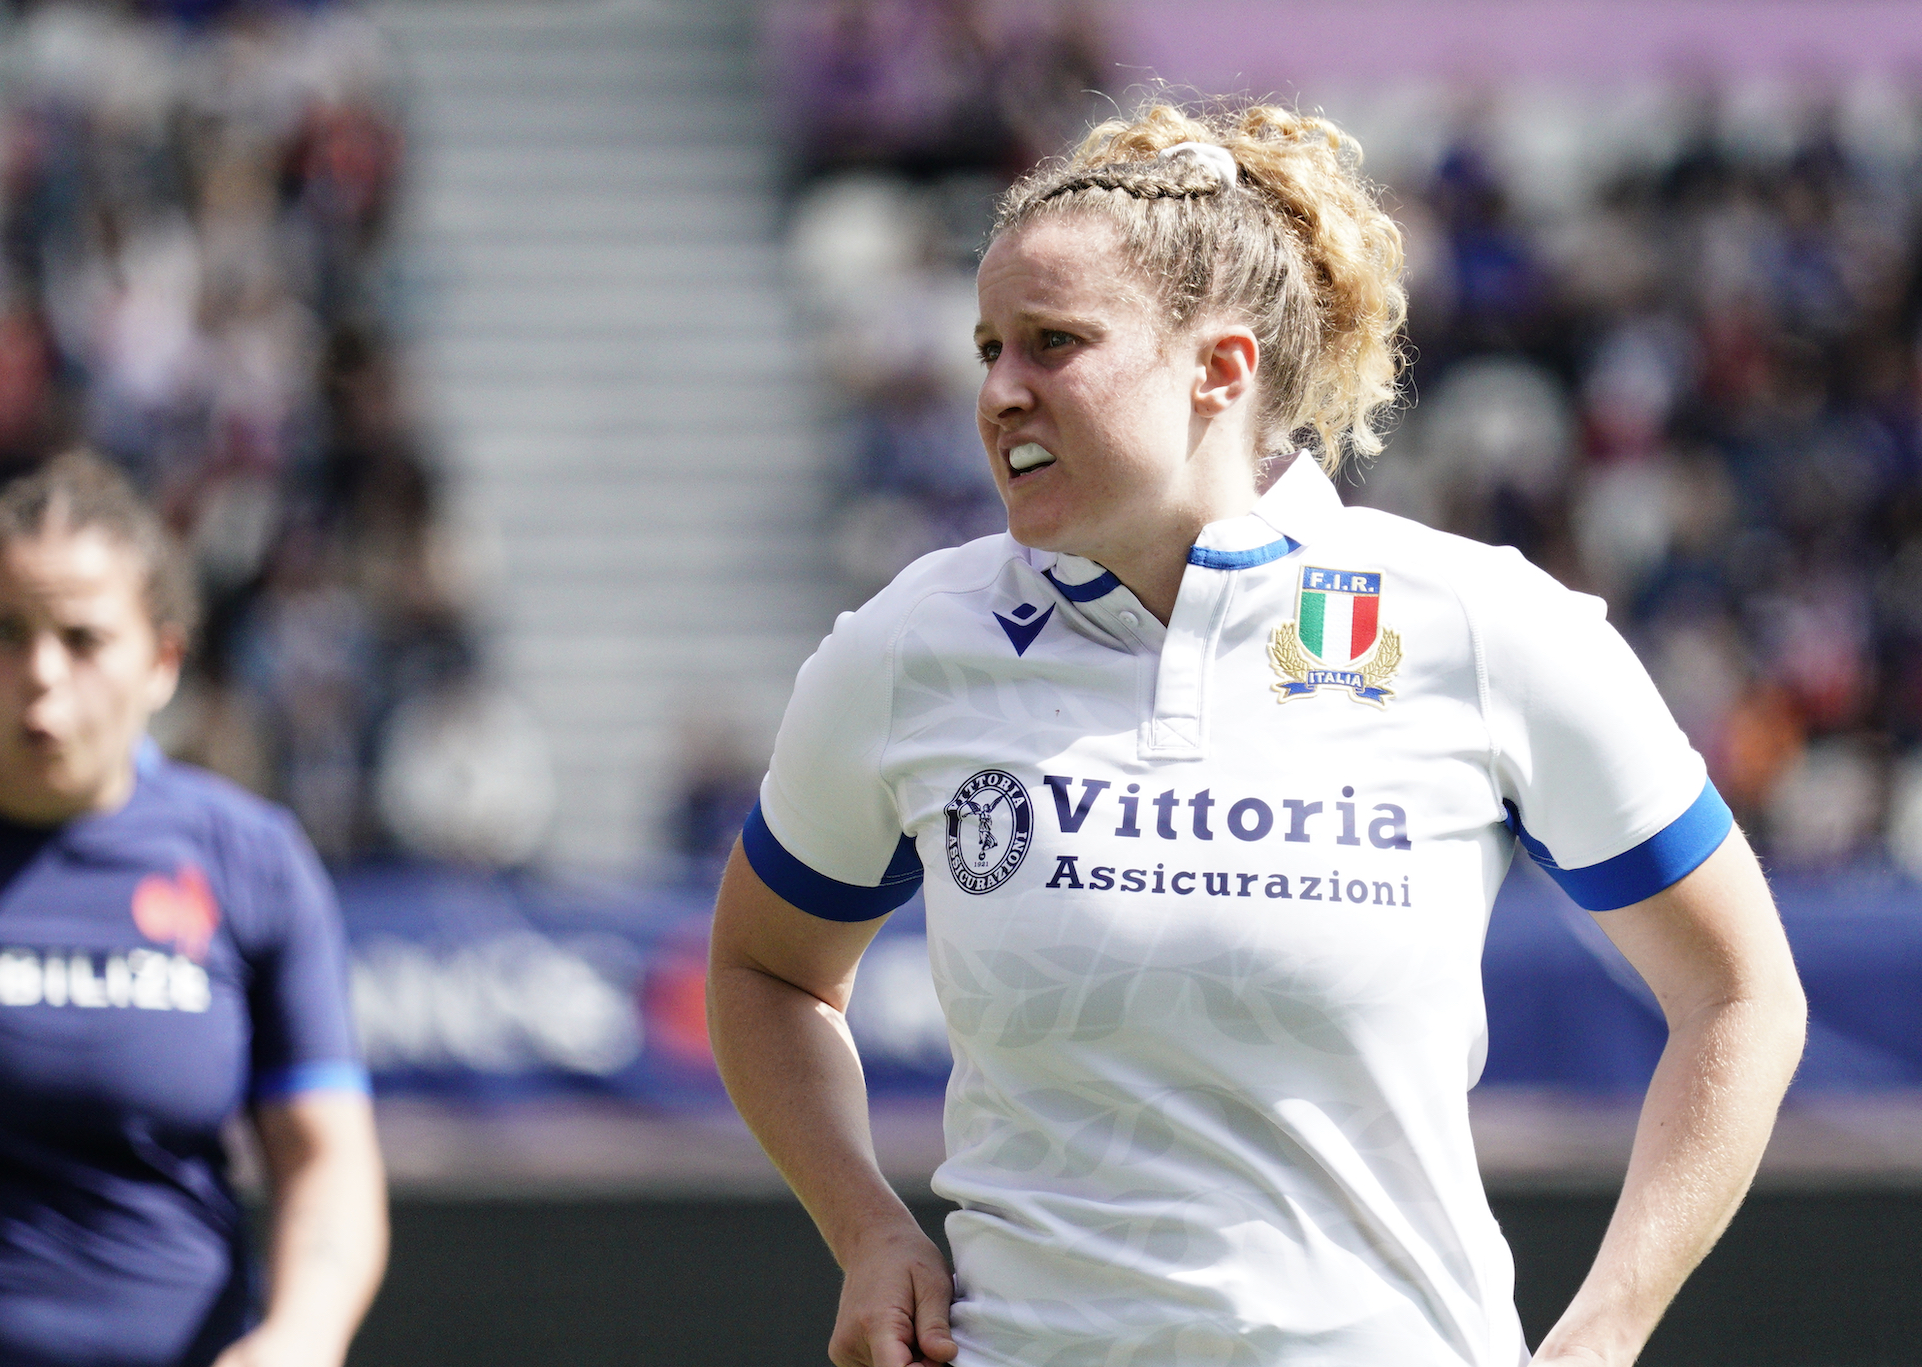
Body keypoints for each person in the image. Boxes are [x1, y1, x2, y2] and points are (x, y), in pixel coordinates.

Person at [707, 102, 1806, 1367]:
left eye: (1054, 344)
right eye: (988, 347)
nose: (1000, 388)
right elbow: (764, 971)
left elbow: (1738, 989)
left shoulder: (1485, 623)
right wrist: (867, 1230)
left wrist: (1604, 1331)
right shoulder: (908, 643)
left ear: (1218, 371)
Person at [0, 455, 387, 1367]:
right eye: (6, 632)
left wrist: (303, 1335)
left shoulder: (249, 859)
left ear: (164, 660)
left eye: (83, 638)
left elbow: (325, 1157)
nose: (41, 673)